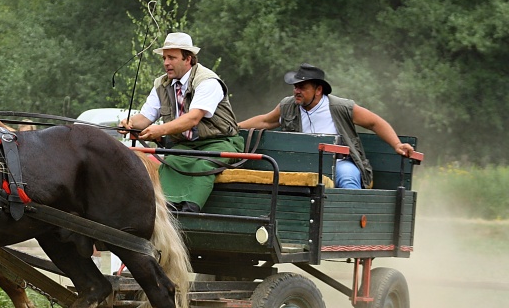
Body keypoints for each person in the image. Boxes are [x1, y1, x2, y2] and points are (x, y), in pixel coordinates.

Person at [120, 32, 243, 213]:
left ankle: (189, 210)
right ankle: (165, 209)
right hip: (185, 146)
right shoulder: (161, 85)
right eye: (164, 58)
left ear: (188, 59)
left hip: (220, 143)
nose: (166, 63)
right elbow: (145, 118)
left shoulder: (207, 81)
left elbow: (193, 118)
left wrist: (160, 130)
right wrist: (129, 123)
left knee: (202, 163)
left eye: (172, 57)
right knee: (172, 162)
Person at [237, 63, 414, 189]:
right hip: (300, 163)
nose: (296, 91)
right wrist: (234, 127)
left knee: (348, 179)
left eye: (302, 87)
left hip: (339, 162)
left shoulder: (340, 107)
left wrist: (397, 145)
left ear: (318, 90)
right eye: (295, 86)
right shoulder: (288, 105)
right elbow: (265, 121)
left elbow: (375, 122)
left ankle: (348, 227)